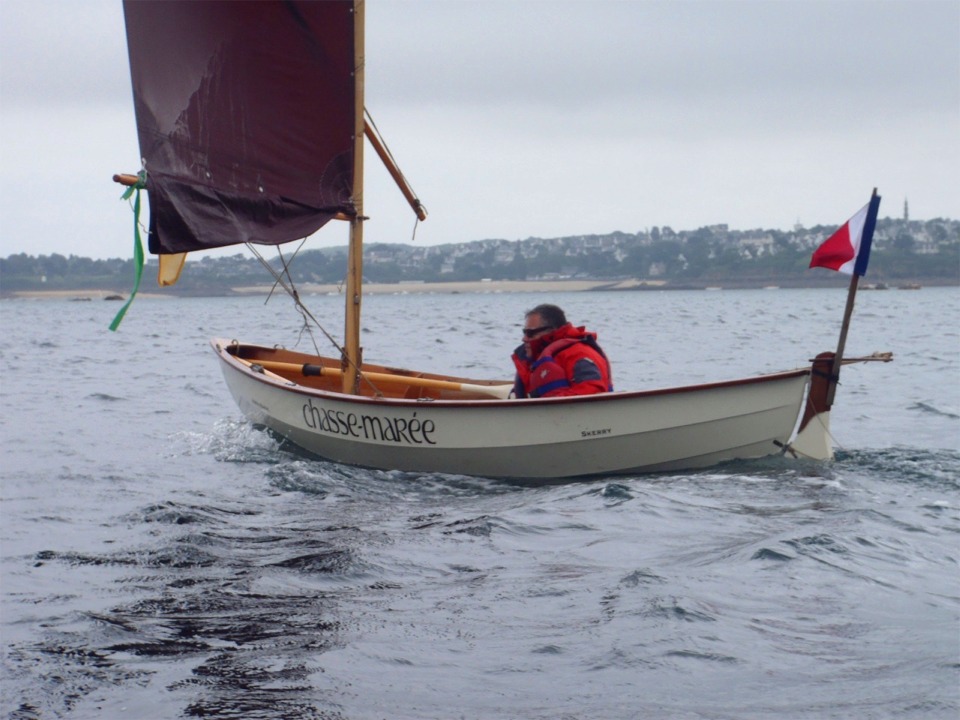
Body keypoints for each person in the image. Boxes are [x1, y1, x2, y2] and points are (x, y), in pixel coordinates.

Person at [511, 303, 612, 398]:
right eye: (524, 332)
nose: (524, 338)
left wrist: (549, 405)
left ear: (552, 330)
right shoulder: (535, 358)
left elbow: (592, 391)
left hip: (568, 414)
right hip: (540, 414)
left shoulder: (578, 354)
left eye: (531, 333)